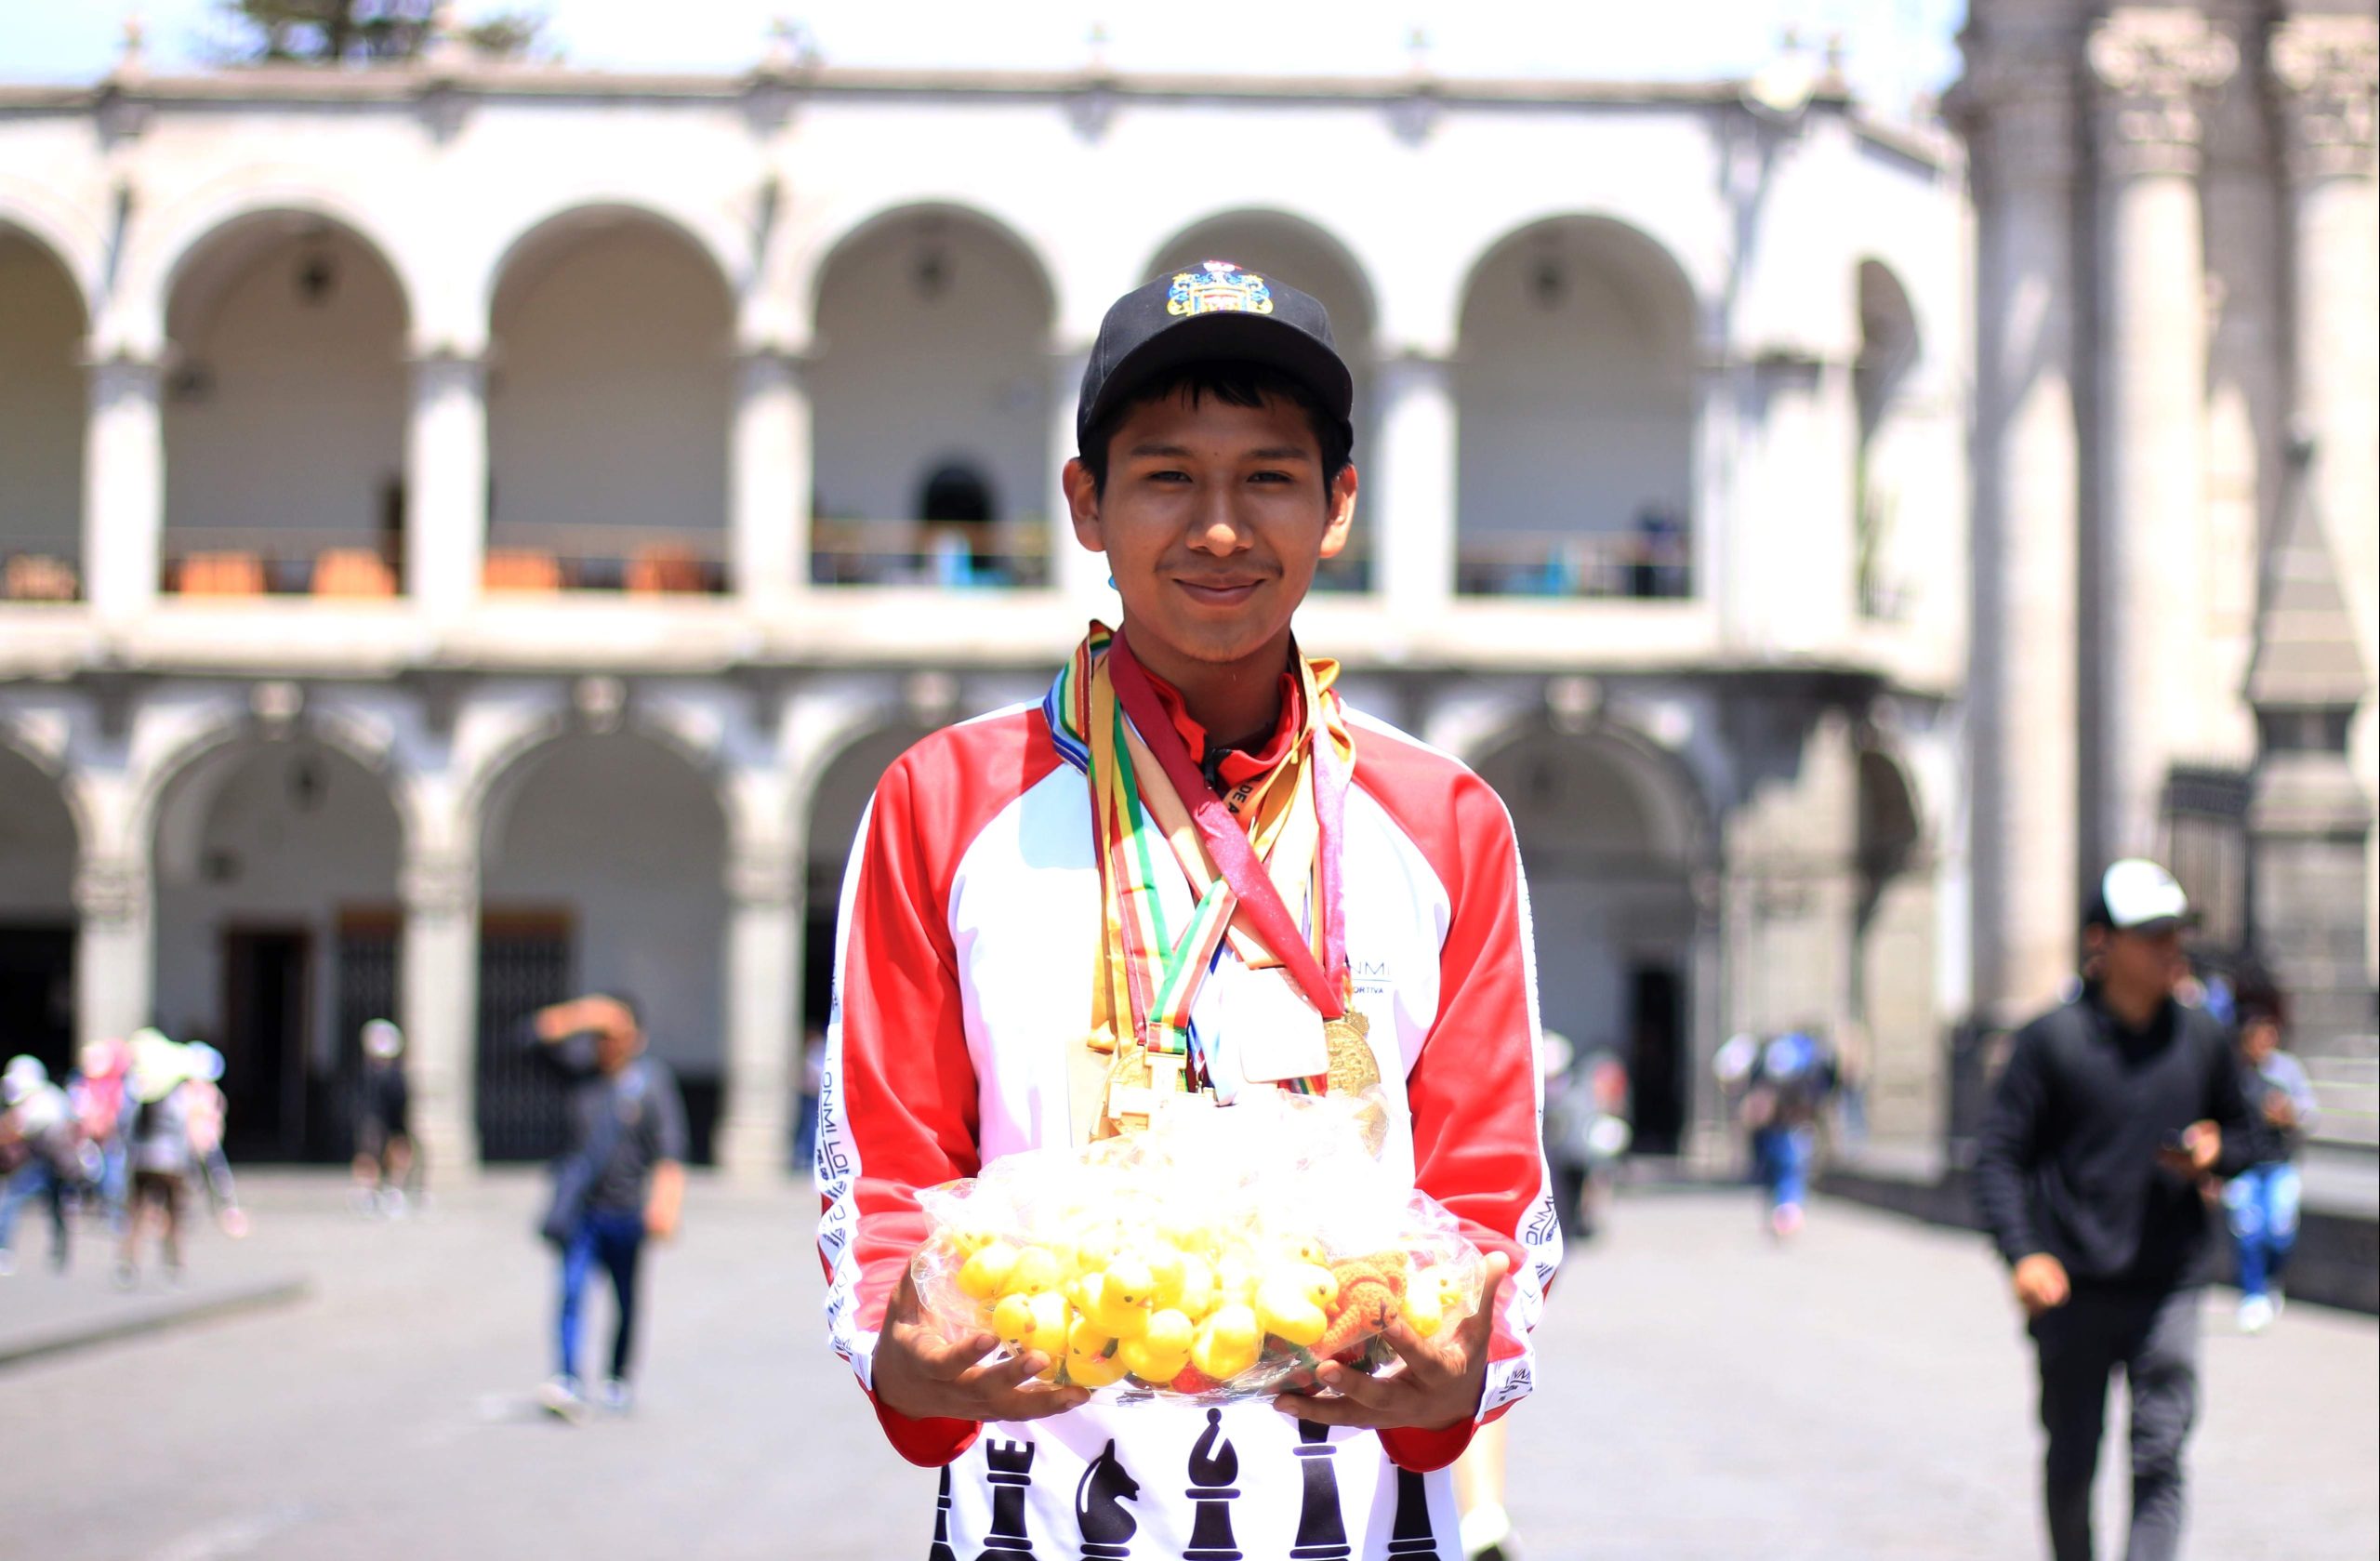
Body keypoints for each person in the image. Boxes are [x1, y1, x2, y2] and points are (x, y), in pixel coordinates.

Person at [817, 261, 1559, 1557]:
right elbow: (888, 1168)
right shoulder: (943, 800)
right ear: (1086, 504)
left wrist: (1464, 1368)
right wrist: (903, 1355)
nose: (1220, 526)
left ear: (1336, 508)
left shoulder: (1444, 819)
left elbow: (1490, 1185)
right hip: (1037, 1515)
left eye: (1269, 476)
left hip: (1367, 1517)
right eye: (1166, 475)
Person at [1974, 858, 2259, 1561]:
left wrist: (2218, 1150)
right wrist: (2025, 1252)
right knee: (2072, 1457)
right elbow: (1997, 1158)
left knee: (2160, 1453)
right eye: (2151, 933)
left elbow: (2257, 1133)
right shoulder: (2051, 1043)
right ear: (2101, 942)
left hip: (2171, 1280)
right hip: (2072, 1284)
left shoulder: (2200, 1036)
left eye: (2176, 932)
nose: (2171, 948)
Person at [527, 993, 687, 1422]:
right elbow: (529, 1040)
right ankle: (567, 1375)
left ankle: (617, 1376)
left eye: (616, 1033)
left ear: (637, 1037)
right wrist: (582, 1014)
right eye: (601, 1034)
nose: (607, 1042)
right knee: (571, 1291)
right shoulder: (580, 1075)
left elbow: (671, 1149)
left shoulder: (652, 1083)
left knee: (625, 1299)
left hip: (627, 1212)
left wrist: (666, 1205)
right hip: (582, 1211)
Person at [2222, 972, 2320, 1334]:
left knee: (2278, 1230)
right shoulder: (2232, 1073)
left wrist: (2289, 1114)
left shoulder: (2286, 1071)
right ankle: (2252, 1293)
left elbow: (2311, 1113)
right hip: (2244, 1165)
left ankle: (2271, 1280)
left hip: (2279, 1163)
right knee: (2247, 1230)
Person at [1716, 1027, 1836, 1237]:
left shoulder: (1781, 1063)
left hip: (1789, 1128)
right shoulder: (1774, 1060)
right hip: (1782, 1128)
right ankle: (1784, 1213)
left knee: (1788, 1170)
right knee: (1782, 1170)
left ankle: (1786, 1213)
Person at [118, 1031, 198, 1290]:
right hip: (171, 1163)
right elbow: (183, 1132)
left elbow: (125, 1128)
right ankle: (174, 1261)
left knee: (136, 1213)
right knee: (174, 1214)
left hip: (141, 1161)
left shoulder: (140, 1097)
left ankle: (129, 1260)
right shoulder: (175, 1097)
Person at [0, 1056, 80, 1276]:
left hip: (48, 1162)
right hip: (44, 1162)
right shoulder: (47, 1097)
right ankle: (58, 1251)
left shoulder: (42, 1101)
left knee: (15, 1200)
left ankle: (57, 1251)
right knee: (51, 1206)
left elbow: (19, 1130)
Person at [351, 1019, 416, 1216]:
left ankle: (393, 1191)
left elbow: (401, 1099)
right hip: (373, 1121)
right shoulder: (368, 1075)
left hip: (391, 1120)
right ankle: (368, 1192)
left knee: (398, 1153)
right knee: (369, 1156)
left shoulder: (393, 1076)